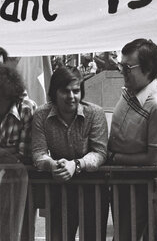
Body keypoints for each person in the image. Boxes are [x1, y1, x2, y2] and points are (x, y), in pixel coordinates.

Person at [107, 38, 157, 241]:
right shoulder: (130, 91)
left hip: (145, 187)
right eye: (121, 66)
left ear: (148, 68)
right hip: (124, 182)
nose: (122, 72)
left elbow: (153, 159)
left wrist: (114, 157)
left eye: (128, 67)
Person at [32, 66, 108, 241]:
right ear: (54, 92)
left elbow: (100, 152)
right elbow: (38, 152)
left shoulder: (95, 113)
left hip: (93, 189)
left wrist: (77, 165)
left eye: (76, 91)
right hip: (59, 189)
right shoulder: (41, 115)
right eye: (65, 91)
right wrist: (53, 165)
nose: (71, 97)